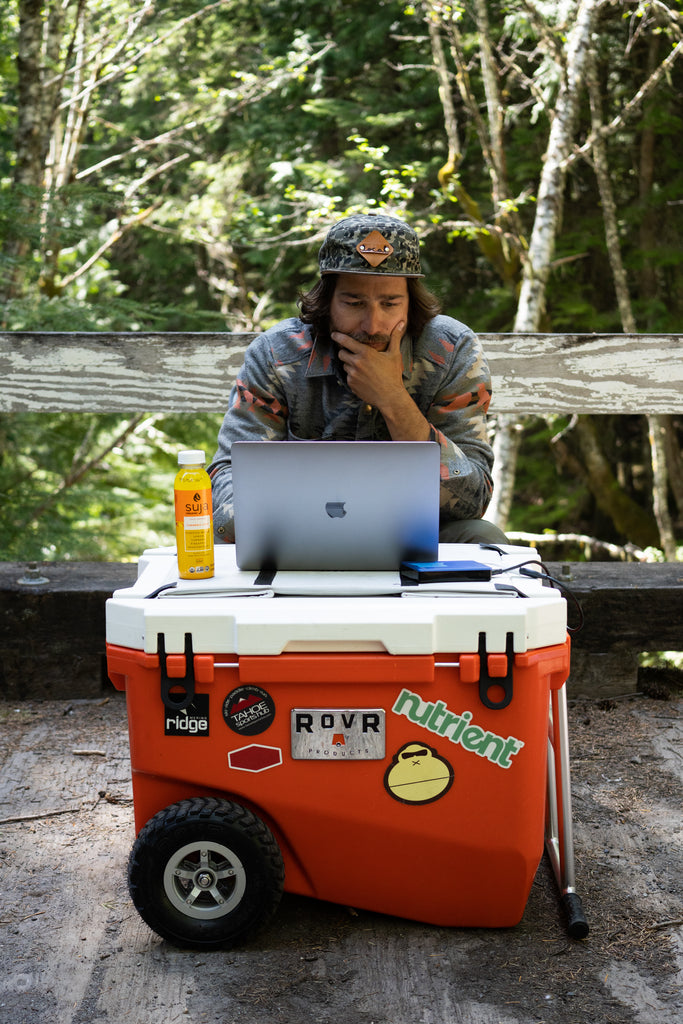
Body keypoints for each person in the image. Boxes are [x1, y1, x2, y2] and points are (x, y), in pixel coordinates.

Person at [209, 212, 507, 545]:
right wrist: (272, 515)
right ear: (327, 301)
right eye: (354, 302)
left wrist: (393, 398)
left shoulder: (451, 349)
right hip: (299, 530)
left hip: (417, 530)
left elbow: (471, 499)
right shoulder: (276, 353)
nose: (373, 325)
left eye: (390, 303)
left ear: (411, 302)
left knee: (484, 538)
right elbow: (227, 476)